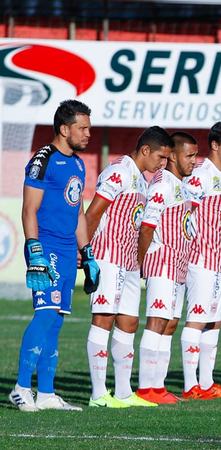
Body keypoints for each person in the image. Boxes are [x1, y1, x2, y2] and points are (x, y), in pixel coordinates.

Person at [10, 99, 99, 412]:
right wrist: (34, 249)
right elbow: (28, 208)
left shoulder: (78, 163)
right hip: (45, 247)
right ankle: (21, 388)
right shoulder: (43, 159)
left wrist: (86, 252)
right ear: (64, 129)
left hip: (66, 248)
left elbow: (78, 213)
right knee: (45, 313)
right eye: (82, 127)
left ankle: (46, 393)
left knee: (57, 321)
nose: (89, 133)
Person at [85, 126, 173, 408]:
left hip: (129, 260)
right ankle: (99, 394)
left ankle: (124, 393)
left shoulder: (142, 180)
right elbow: (94, 212)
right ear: (145, 150)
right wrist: (85, 251)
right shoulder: (119, 171)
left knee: (129, 322)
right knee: (104, 319)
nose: (163, 163)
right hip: (108, 256)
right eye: (161, 156)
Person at [181, 122, 221, 400]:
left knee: (214, 320)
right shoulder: (201, 174)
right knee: (196, 320)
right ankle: (189, 384)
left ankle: (206, 384)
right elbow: (185, 212)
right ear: (215, 145)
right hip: (200, 260)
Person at [136, 132, 198, 404]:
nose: (194, 161)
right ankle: (145, 389)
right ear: (173, 155)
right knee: (157, 322)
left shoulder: (182, 185)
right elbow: (148, 225)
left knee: (170, 324)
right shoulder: (162, 183)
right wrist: (139, 262)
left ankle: (158, 387)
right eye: (190, 155)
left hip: (177, 266)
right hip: (162, 263)